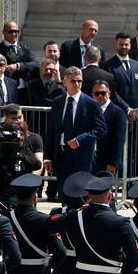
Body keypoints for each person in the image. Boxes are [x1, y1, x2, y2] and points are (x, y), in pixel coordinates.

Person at [56, 175, 138, 274]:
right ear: (110, 196)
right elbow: (135, 257)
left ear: (89, 197)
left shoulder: (75, 217)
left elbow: (51, 224)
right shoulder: (120, 222)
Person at [43, 66, 108, 202]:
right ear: (65, 82)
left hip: (81, 156)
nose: (77, 84)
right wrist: (48, 157)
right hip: (61, 155)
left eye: (80, 81)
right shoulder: (58, 102)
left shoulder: (90, 103)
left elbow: (101, 128)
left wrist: (80, 139)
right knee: (64, 193)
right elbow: (51, 131)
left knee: (80, 195)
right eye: (73, 81)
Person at [103, 32, 138, 118]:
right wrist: (127, 109)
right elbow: (112, 91)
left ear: (130, 45)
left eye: (126, 44)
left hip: (137, 115)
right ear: (116, 45)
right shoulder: (108, 66)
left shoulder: (137, 65)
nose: (123, 47)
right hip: (118, 113)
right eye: (121, 44)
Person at [0, 21, 36, 103]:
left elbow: (34, 64)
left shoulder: (24, 48)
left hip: (24, 89)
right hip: (7, 88)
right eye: (11, 31)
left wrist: (18, 66)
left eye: (16, 31)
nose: (14, 34)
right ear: (4, 32)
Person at [92, 80, 127, 176]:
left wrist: (113, 163)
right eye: (96, 93)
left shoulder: (118, 113)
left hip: (107, 161)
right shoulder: (90, 110)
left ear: (109, 94)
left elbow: (119, 140)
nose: (100, 96)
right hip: (91, 158)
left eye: (103, 93)